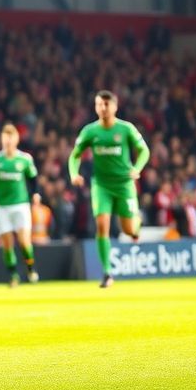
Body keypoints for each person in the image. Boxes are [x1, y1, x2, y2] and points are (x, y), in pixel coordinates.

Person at [68, 90, 150, 288]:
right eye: (99, 105)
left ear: (115, 106)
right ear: (96, 107)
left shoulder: (126, 129)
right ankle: (107, 273)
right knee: (102, 225)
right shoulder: (90, 131)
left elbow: (144, 151)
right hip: (101, 185)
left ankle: (136, 225)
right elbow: (75, 155)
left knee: (128, 229)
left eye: (106, 104)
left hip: (124, 185)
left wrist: (137, 169)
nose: (103, 108)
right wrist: (73, 173)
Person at [0, 123, 39, 287]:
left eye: (11, 137)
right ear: (2, 139)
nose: (8, 140)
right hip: (2, 207)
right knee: (7, 242)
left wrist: (35, 194)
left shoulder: (25, 159)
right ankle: (13, 275)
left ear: (16, 139)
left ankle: (30, 268)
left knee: (24, 241)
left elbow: (33, 179)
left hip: (21, 205)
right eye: (5, 137)